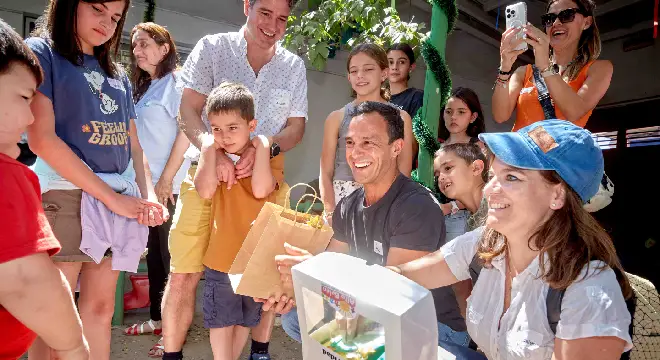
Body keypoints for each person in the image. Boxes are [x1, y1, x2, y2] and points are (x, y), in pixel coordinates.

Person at [391, 120, 633, 359]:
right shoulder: (485, 243)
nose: (488, 190)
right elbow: (402, 275)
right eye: (493, 175)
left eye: (512, 178)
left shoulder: (589, 289)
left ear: (558, 194)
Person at [163, 0, 308, 359]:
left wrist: (264, 148)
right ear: (247, 5)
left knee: (264, 275)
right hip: (208, 177)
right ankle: (171, 354)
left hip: (265, 181)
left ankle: (259, 351)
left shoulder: (293, 66)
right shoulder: (212, 48)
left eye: (282, 19)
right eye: (265, 13)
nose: (273, 25)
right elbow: (188, 110)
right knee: (184, 272)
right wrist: (212, 148)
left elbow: (296, 127)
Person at [25, 1, 167, 359]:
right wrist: (112, 198)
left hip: (118, 201)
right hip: (67, 195)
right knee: (54, 313)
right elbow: (42, 139)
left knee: (100, 311)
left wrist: (148, 194)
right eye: (99, 9)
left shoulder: (115, 72)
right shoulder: (44, 52)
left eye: (116, 17)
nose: (107, 23)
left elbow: (134, 145)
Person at [274, 101, 471, 355]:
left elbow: (391, 295)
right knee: (295, 315)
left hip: (432, 328)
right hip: (373, 312)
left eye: (369, 142)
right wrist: (293, 289)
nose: (356, 153)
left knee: (339, 325)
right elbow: (332, 263)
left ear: (396, 148)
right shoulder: (347, 206)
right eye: (350, 143)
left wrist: (312, 273)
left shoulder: (416, 205)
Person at [0, 18, 89, 360]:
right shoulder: (6, 177)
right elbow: (28, 281)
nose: (30, 117)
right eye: (24, 98)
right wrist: (73, 346)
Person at [193, 82, 283, 360]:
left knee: (246, 319)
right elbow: (205, 190)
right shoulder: (212, 156)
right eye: (216, 129)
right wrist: (209, 149)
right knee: (221, 320)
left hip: (256, 259)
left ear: (251, 124)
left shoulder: (271, 158)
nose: (224, 136)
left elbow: (260, 189)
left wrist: (264, 144)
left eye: (233, 127)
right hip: (222, 257)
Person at [124, 22, 190, 358]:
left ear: (165, 48)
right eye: (135, 45)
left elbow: (189, 131)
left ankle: (174, 329)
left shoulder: (176, 83)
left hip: (172, 186)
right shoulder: (148, 87)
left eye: (146, 43)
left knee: (172, 260)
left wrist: (166, 179)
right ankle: (156, 318)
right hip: (148, 188)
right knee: (155, 258)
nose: (138, 51)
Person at [319, 43, 414, 224]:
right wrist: (330, 211)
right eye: (354, 71)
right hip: (343, 200)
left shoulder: (402, 118)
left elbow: (404, 170)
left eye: (368, 69)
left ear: (384, 73)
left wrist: (393, 207)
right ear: (348, 77)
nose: (360, 76)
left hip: (385, 201)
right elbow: (326, 171)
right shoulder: (336, 117)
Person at [492, 0, 612, 131]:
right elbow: (500, 116)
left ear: (586, 22)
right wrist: (504, 68)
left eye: (567, 15)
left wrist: (545, 66)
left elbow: (575, 112)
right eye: (549, 19)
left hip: (561, 151)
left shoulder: (599, 68)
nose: (556, 23)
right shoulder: (524, 72)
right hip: (520, 150)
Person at [437, 87, 486, 241]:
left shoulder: (479, 147)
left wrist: (451, 207)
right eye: (448, 111)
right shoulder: (435, 146)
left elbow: (481, 187)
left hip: (462, 217)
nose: (453, 117)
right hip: (434, 215)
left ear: (473, 117)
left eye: (461, 112)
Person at [387, 43, 424, 119]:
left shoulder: (416, 97)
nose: (394, 67)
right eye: (390, 62)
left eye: (401, 62)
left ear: (411, 67)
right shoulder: (377, 95)